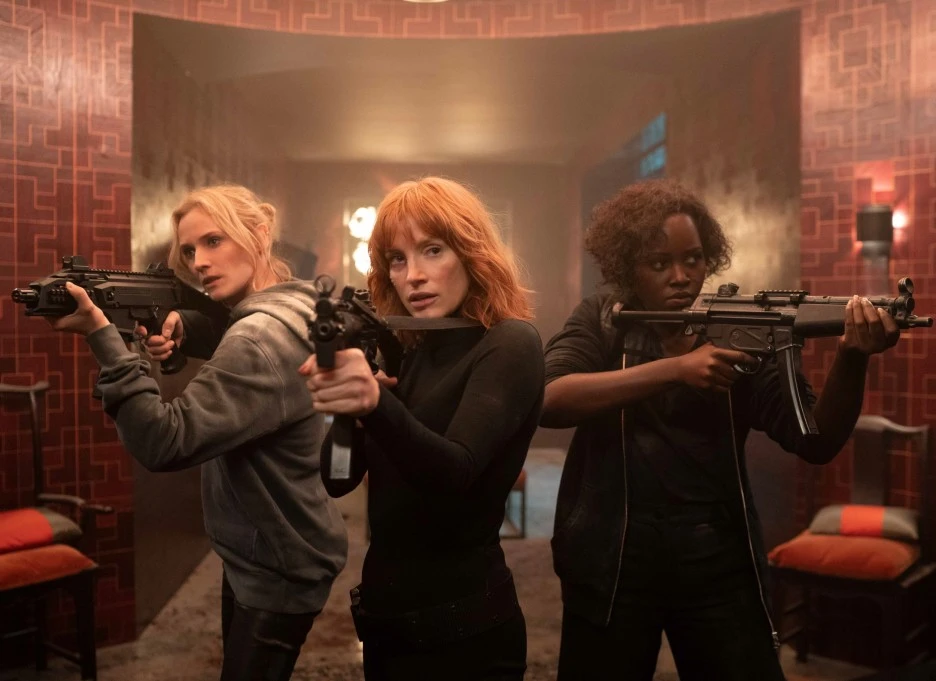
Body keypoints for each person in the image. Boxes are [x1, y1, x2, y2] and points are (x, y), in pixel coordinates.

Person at [540, 179, 900, 681]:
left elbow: (816, 440)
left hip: (716, 556)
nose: (681, 277)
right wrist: (676, 370)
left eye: (693, 259)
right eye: (659, 263)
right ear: (627, 268)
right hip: (613, 555)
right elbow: (550, 399)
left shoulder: (740, 325)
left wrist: (852, 357)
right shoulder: (604, 320)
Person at [48, 184, 347, 681]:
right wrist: (188, 329)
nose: (200, 262)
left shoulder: (258, 337)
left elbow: (164, 442)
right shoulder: (298, 306)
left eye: (213, 241)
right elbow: (245, 344)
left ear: (259, 233)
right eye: (189, 250)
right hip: (276, 546)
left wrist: (105, 340)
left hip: (276, 564)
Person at [299, 176, 544, 680]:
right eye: (397, 258)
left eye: (433, 250)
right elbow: (336, 479)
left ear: (472, 254)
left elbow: (455, 473)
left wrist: (376, 405)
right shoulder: (413, 350)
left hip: (466, 638)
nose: (413, 275)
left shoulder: (509, 343)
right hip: (387, 630)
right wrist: (351, 412)